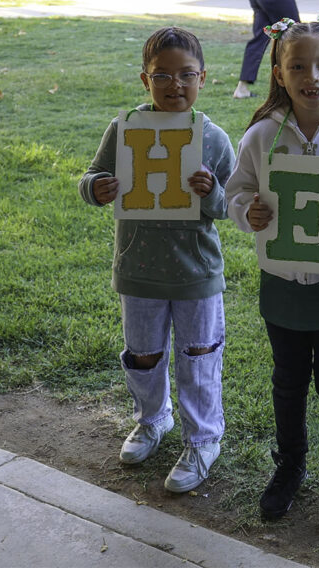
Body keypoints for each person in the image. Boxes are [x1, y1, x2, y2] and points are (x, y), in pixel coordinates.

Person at [226, 14, 319, 528]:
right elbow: (236, 192)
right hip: (283, 284)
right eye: (298, 66)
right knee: (288, 381)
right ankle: (289, 464)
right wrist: (247, 210)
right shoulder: (261, 136)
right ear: (278, 73)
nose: (310, 76)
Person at [79, 26, 236, 493]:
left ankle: (204, 438)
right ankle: (153, 420)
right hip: (139, 270)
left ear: (203, 78)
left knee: (198, 357)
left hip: (196, 273)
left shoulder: (212, 138)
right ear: (144, 79)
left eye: (186, 75)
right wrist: (97, 188)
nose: (175, 85)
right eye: (162, 75)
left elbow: (232, 205)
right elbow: (92, 176)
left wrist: (211, 194)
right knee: (143, 356)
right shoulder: (125, 129)